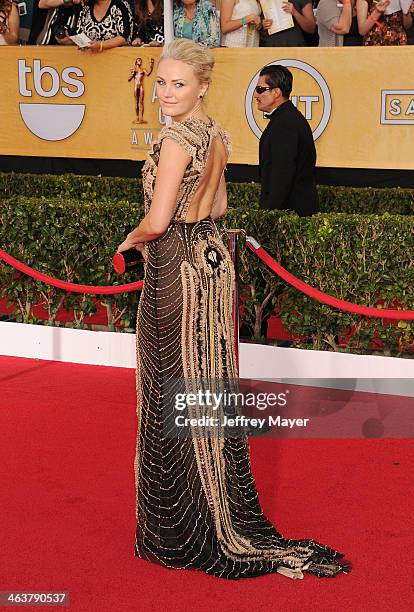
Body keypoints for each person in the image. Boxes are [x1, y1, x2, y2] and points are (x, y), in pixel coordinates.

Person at [116, 38, 351, 580]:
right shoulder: (217, 135)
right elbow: (218, 206)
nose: (167, 92)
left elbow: (156, 221)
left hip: (175, 265)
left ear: (202, 85)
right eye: (162, 82)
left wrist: (128, 244)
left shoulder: (176, 139)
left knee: (170, 383)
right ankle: (220, 505)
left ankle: (183, 524)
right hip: (214, 263)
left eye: (179, 83)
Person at [255, 64, 317, 216]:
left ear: (276, 92)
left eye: (260, 90)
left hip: (289, 216)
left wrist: (267, 216)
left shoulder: (285, 124)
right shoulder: (287, 118)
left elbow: (281, 177)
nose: (256, 95)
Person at [56, 0, 134, 49]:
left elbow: (125, 37)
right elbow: (81, 35)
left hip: (118, 61)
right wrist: (70, 42)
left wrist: (101, 45)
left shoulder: (120, 5)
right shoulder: (86, 7)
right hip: (90, 62)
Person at [128, 56, 155, 123]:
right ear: (136, 62)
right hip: (136, 87)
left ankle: (141, 118)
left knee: (141, 102)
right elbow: (129, 79)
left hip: (141, 87)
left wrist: (151, 66)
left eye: (140, 60)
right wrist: (132, 74)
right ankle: (137, 117)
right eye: (139, 60)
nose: (140, 61)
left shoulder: (143, 70)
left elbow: (148, 74)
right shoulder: (134, 70)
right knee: (136, 103)